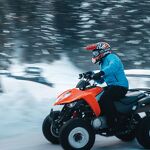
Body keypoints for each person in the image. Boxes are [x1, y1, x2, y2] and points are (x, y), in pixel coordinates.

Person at [85, 41, 129, 130]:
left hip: (120, 86)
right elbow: (101, 81)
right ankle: (100, 119)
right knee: (96, 96)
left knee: (105, 98)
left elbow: (114, 66)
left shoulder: (111, 57)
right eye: (94, 53)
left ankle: (114, 121)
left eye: (96, 53)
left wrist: (101, 72)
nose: (94, 55)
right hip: (111, 87)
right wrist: (93, 75)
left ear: (103, 51)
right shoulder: (102, 63)